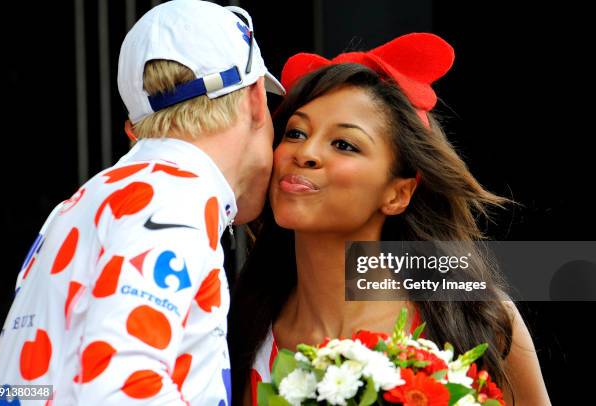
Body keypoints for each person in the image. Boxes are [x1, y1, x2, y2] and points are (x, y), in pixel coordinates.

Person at [0, 0, 284, 404]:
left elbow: (8, 388)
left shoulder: (81, 203)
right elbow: (119, 386)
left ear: (133, 128)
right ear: (254, 100)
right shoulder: (176, 202)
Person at [228, 33, 551, 405]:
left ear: (398, 193)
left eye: (344, 144)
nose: (306, 153)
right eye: (296, 132)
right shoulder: (235, 327)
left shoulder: (477, 318)